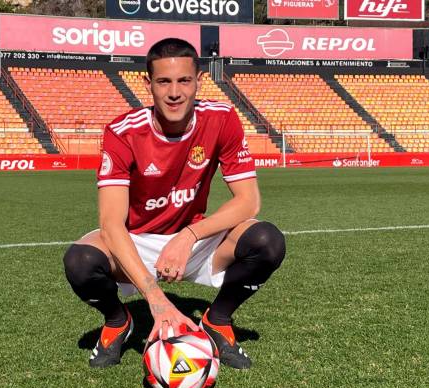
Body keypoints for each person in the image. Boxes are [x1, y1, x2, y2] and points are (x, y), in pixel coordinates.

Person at [63, 38, 285, 370]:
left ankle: (218, 320)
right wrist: (156, 299)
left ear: (199, 81)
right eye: (164, 81)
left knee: (267, 241)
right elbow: (111, 223)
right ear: (148, 84)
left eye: (184, 80)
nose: (174, 92)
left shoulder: (222, 118)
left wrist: (188, 236)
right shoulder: (123, 132)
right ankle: (118, 321)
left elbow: (248, 201)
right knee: (80, 261)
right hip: (136, 242)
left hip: (195, 242)